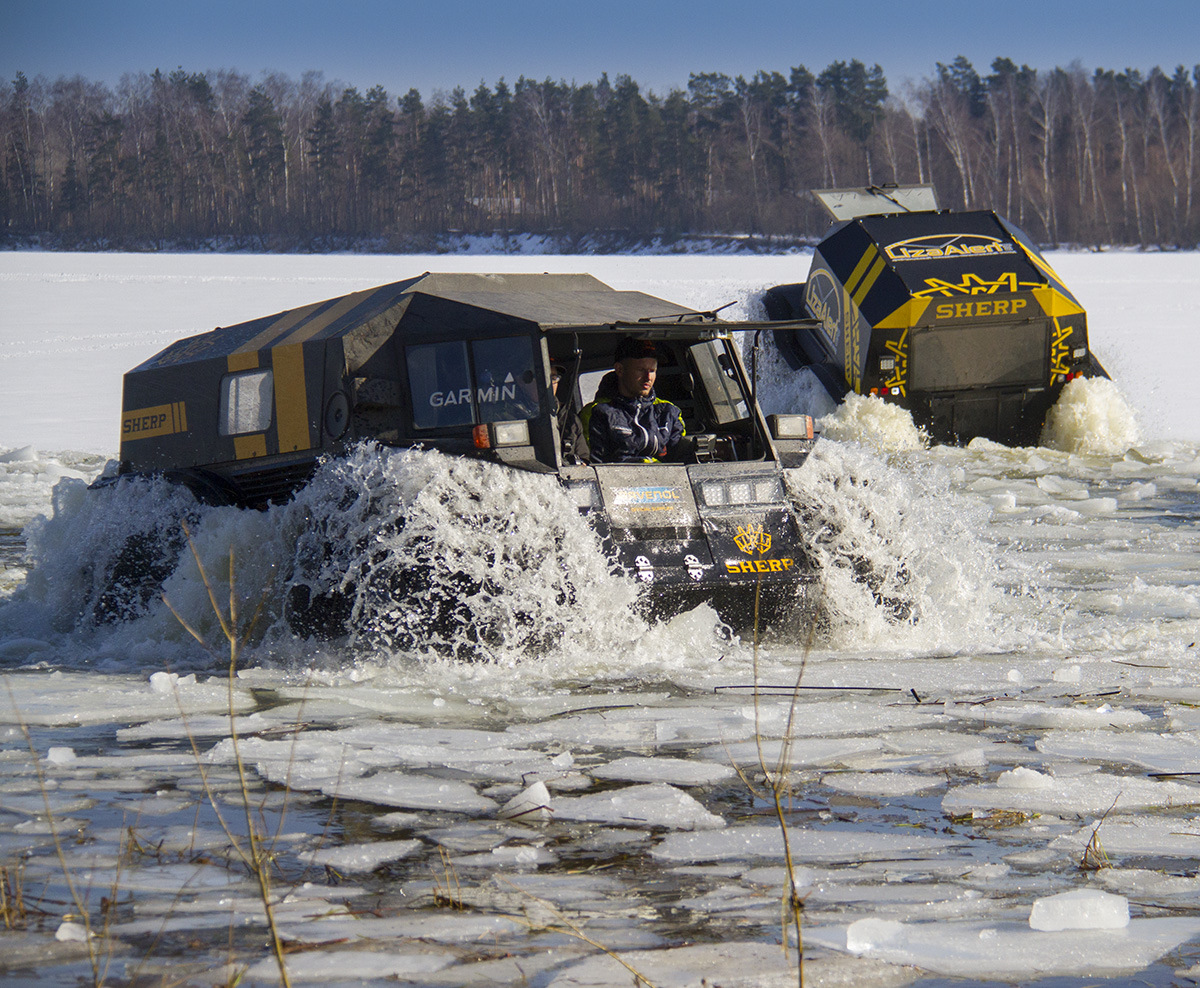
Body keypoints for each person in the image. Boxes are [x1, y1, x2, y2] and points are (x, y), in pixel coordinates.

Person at [582, 337, 687, 463]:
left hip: (672, 481)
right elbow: (596, 465)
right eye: (641, 370)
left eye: (652, 370)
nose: (648, 377)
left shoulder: (669, 411)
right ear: (620, 370)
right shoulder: (597, 412)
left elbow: (681, 458)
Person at [551, 363, 589, 462]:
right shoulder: (515, 417)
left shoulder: (570, 419)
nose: (549, 384)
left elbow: (584, 458)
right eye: (543, 378)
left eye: (553, 378)